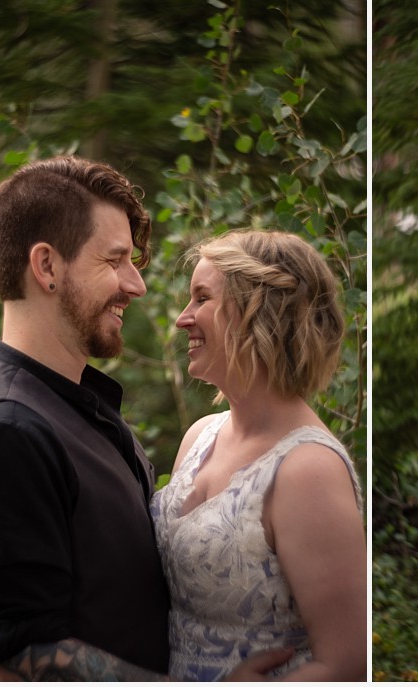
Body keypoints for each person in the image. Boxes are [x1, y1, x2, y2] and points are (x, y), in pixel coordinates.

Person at [0, 155, 289, 680]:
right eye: (114, 261)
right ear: (47, 266)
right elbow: (25, 653)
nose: (136, 285)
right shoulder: (7, 431)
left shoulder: (77, 404)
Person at [151, 229, 367, 681]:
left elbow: (348, 662)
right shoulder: (199, 437)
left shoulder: (309, 470)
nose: (183, 319)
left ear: (260, 312)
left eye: (201, 298)